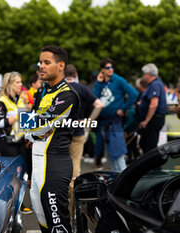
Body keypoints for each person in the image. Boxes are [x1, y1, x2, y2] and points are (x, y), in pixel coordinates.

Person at [25, 46, 79, 232]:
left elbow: (40, 124)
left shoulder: (67, 93)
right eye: (40, 62)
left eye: (47, 62)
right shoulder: (44, 91)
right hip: (38, 164)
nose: (41, 66)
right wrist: (35, 130)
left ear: (61, 65)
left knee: (58, 225)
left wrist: (35, 129)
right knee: (42, 219)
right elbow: (30, 124)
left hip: (54, 165)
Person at [64, 64, 104, 219]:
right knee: (75, 167)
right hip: (78, 131)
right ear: (76, 74)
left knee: (61, 166)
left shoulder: (59, 88)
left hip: (61, 132)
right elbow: (99, 104)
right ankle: (72, 208)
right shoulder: (82, 88)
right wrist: (88, 121)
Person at [93, 58, 138, 172]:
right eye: (108, 67)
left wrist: (123, 108)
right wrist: (98, 82)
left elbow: (134, 94)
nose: (111, 69)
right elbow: (94, 97)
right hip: (103, 121)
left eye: (112, 67)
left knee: (117, 152)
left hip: (115, 121)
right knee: (110, 154)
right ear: (102, 70)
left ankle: (123, 177)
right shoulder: (101, 82)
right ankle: (115, 180)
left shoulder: (118, 80)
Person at [0, 71, 30, 156]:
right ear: (9, 84)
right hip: (8, 142)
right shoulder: (2, 100)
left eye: (21, 82)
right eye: (18, 82)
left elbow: (26, 120)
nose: (21, 84)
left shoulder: (21, 99)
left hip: (22, 142)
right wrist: (19, 115)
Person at [138, 63, 166, 154]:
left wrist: (146, 121)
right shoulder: (154, 84)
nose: (144, 76)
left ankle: (152, 167)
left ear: (148, 74)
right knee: (146, 144)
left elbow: (154, 104)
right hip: (153, 119)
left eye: (144, 74)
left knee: (150, 146)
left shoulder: (155, 84)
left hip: (153, 120)